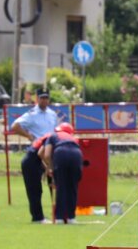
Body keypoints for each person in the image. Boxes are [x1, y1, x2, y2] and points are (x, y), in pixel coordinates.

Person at [10, 89, 58, 222]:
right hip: (36, 152)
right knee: (35, 188)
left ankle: (58, 215)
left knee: (54, 183)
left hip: (49, 151)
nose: (44, 100)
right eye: (42, 98)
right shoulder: (31, 114)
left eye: (46, 98)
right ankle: (38, 217)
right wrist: (29, 136)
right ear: (37, 99)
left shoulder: (52, 114)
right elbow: (15, 126)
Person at [39, 122, 83, 224]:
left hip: (61, 152)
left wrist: (50, 168)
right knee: (73, 187)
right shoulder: (73, 138)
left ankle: (59, 218)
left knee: (61, 187)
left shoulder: (53, 136)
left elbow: (46, 155)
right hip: (77, 154)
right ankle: (71, 218)